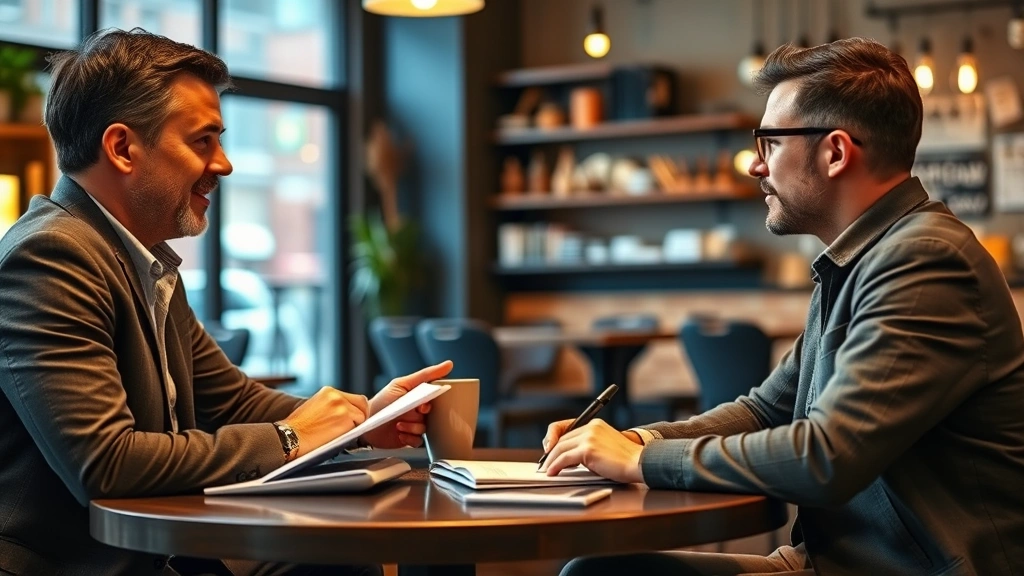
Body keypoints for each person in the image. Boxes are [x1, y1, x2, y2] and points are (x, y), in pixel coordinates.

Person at [543, 38, 1024, 576]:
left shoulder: (925, 261)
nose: (754, 165)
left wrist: (641, 461)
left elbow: (827, 456)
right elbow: (765, 410)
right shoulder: (858, 259)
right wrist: (636, 438)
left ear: (836, 152)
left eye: (769, 142)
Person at [0, 28, 452, 576]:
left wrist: (364, 420)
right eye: (202, 141)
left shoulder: (146, 260)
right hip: (76, 567)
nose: (225, 164)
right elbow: (106, 463)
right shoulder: (51, 256)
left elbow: (233, 403)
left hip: (158, 557)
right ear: (121, 147)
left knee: (339, 564)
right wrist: (291, 437)